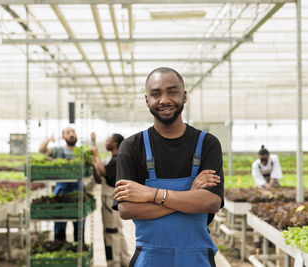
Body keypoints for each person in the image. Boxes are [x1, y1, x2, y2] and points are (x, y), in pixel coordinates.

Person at [113, 67, 224, 267]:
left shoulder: (207, 143)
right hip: (150, 258)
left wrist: (149, 194)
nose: (164, 100)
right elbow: (127, 209)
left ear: (184, 96)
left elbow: (210, 202)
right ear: (147, 100)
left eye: (172, 92)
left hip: (196, 258)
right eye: (156, 94)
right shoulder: (131, 147)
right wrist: (189, 196)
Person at [90, 132, 131, 267]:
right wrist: (94, 145)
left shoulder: (118, 158)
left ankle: (114, 263)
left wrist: (95, 154)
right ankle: (125, 261)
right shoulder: (112, 158)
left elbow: (105, 172)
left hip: (110, 201)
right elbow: (100, 175)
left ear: (114, 143)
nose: (106, 142)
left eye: (108, 139)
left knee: (111, 232)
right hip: (111, 200)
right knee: (117, 231)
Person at [39, 127, 84, 242]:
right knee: (60, 225)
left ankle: (78, 253)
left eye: (73, 132)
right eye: (68, 133)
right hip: (61, 193)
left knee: (79, 228)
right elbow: (41, 150)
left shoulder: (82, 152)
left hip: (78, 192)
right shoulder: (58, 151)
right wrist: (48, 140)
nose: (71, 134)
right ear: (63, 137)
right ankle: (60, 247)